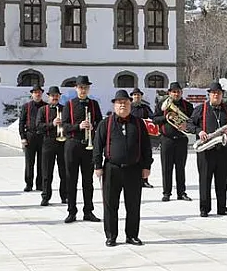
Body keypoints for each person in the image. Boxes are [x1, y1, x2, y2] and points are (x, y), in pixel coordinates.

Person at [93, 90, 153, 247]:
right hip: (112, 169)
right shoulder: (105, 124)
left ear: (130, 104)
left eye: (125, 103)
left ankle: (132, 235)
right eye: (119, 103)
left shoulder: (139, 123)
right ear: (114, 105)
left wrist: (147, 166)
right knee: (111, 205)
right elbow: (97, 146)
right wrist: (97, 165)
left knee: (133, 205)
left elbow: (146, 146)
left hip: (134, 169)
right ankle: (111, 236)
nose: (122, 105)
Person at [189, 81, 227, 218]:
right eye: (214, 93)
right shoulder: (200, 109)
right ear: (209, 94)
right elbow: (190, 124)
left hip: (223, 150)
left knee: (223, 180)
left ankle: (222, 207)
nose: (216, 95)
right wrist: (199, 131)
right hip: (206, 150)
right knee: (205, 180)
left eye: (219, 93)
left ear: (222, 95)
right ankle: (204, 208)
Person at [61, 75, 102, 223]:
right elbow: (64, 126)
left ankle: (88, 211)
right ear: (76, 88)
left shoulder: (94, 104)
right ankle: (71, 211)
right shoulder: (69, 105)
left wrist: (93, 126)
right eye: (80, 87)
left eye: (85, 87)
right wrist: (78, 126)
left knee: (88, 181)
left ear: (88, 88)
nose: (83, 90)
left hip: (88, 146)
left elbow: (100, 123)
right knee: (71, 180)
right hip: (72, 144)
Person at [153, 81, 194, 201]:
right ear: (169, 93)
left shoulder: (188, 106)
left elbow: (193, 121)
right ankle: (167, 193)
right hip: (166, 139)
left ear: (182, 92)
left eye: (178, 91)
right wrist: (166, 118)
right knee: (166, 167)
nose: (176, 94)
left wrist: (186, 125)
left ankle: (181, 193)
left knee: (181, 167)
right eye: (174, 92)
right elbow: (155, 119)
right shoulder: (162, 105)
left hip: (181, 139)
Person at [40, 86, 68, 207]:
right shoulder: (43, 110)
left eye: (57, 95)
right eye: (52, 95)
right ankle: (45, 197)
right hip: (48, 142)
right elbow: (39, 126)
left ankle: (64, 196)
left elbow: (69, 124)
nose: (55, 97)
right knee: (47, 172)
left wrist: (63, 125)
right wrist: (52, 124)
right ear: (48, 96)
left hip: (63, 143)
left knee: (64, 172)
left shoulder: (65, 109)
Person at [19, 85, 46, 192]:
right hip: (30, 136)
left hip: (42, 136)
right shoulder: (26, 106)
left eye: (39, 92)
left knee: (42, 162)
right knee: (29, 162)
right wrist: (22, 137)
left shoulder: (45, 106)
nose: (37, 94)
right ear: (32, 94)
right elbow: (21, 122)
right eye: (35, 92)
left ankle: (39, 184)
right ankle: (28, 184)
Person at [130, 87, 156, 188]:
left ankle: (145, 180)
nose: (137, 96)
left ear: (141, 96)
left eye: (138, 95)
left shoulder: (145, 107)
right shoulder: (129, 107)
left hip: (143, 135)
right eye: (135, 95)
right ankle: (132, 179)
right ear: (132, 96)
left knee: (145, 157)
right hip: (131, 136)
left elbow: (152, 117)